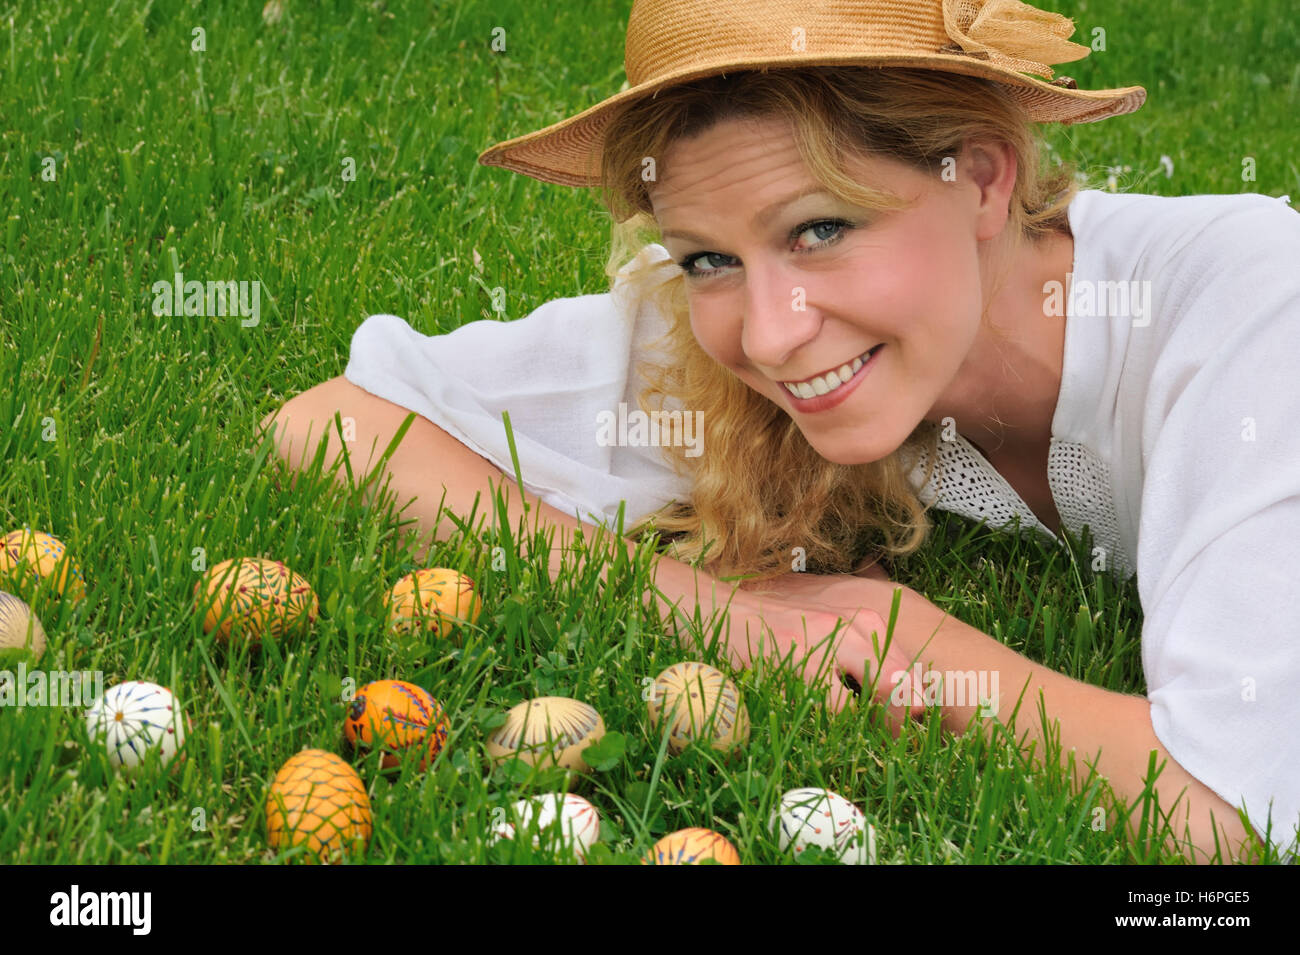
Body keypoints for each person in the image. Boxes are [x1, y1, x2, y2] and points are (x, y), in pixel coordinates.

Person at [259, 0, 1300, 863]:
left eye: (821, 230)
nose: (767, 334)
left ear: (981, 180)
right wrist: (708, 608)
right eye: (707, 258)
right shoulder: (723, 345)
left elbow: (1227, 810)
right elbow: (329, 426)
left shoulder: (1251, 304)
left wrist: (907, 638)